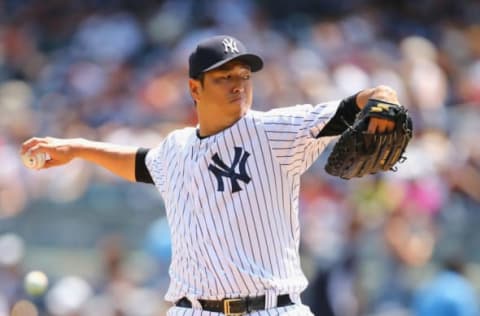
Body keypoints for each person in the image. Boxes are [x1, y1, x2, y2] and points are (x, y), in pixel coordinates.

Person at [21, 35, 398, 315]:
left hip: (270, 308)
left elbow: (358, 103)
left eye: (244, 74)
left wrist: (383, 96)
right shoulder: (176, 148)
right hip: (191, 310)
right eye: (223, 76)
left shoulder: (276, 131)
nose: (238, 83)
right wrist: (77, 149)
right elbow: (140, 162)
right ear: (193, 87)